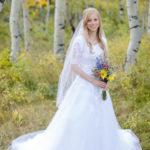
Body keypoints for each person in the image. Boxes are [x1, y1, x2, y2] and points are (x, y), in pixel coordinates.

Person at [8, 7, 142, 150]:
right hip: (84, 85)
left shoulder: (102, 40)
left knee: (101, 117)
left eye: (95, 20)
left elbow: (105, 61)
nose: (92, 23)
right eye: (89, 20)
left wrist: (105, 78)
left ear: (99, 21)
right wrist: (92, 80)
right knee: (79, 118)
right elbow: (74, 65)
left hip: (99, 86)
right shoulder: (80, 41)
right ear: (85, 22)